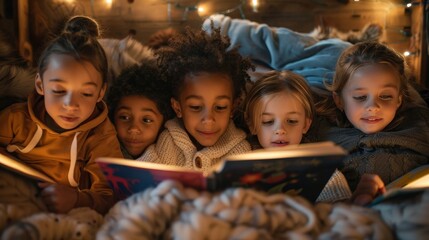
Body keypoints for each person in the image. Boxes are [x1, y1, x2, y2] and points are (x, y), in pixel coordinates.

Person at [0, 16, 123, 215]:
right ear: (40, 85)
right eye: (58, 90)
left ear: (100, 93)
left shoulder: (100, 136)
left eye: (86, 94)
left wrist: (76, 199)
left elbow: (110, 196)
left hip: (65, 212)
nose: (70, 105)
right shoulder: (16, 118)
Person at [243, 70, 386, 204]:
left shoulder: (321, 171)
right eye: (268, 122)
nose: (280, 130)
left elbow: (341, 214)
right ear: (252, 125)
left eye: (292, 121)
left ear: (305, 125)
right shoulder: (240, 158)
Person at [137, 26, 253, 173]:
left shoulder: (241, 151)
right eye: (196, 107)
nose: (209, 120)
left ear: (233, 107)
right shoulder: (169, 141)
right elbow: (141, 178)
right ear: (177, 108)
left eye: (220, 107)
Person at [314, 41, 429, 191]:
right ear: (339, 100)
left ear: (398, 100)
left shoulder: (420, 123)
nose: (373, 107)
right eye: (360, 97)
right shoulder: (318, 128)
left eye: (386, 96)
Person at [107, 63, 174, 159]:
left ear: (164, 122)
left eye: (146, 120)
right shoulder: (100, 150)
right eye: (124, 117)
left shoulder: (175, 157)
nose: (134, 129)